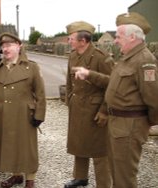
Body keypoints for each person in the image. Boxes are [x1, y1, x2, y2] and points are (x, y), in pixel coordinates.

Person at [73, 12, 158, 188]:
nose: (116, 40)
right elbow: (112, 82)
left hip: (130, 126)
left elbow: (153, 98)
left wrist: (144, 125)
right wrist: (89, 74)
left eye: (119, 36)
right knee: (116, 172)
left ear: (132, 37)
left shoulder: (144, 60)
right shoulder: (127, 58)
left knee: (125, 177)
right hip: (117, 124)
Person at [0, 32, 46, 188]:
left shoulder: (31, 67)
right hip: (3, 113)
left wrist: (40, 114)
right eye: (3, 46)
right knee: (9, 144)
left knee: (27, 147)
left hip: (24, 113)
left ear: (18, 46)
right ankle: (16, 175)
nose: (5, 49)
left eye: (9, 45)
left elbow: (40, 93)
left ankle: (30, 179)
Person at [64, 21, 114, 188]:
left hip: (95, 110)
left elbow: (112, 86)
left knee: (100, 150)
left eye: (71, 38)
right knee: (79, 143)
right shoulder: (72, 55)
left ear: (83, 41)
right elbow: (69, 81)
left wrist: (105, 111)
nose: (68, 41)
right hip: (77, 107)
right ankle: (80, 177)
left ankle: (104, 184)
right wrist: (69, 99)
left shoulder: (101, 57)